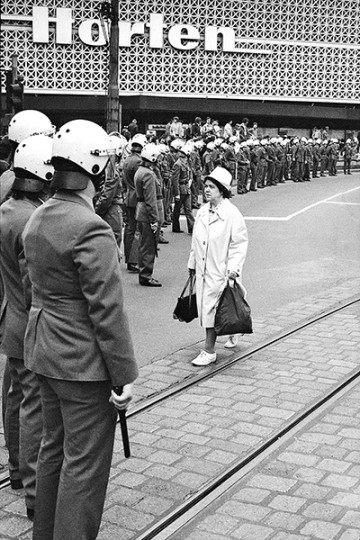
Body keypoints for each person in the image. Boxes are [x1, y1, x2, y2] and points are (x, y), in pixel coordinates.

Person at [22, 119, 138, 540]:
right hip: (82, 363)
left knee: (53, 451)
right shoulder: (91, 227)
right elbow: (107, 310)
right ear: (96, 168)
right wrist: (123, 376)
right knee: (85, 468)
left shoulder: (39, 217)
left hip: (45, 352)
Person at [0, 134, 54, 521]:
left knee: (15, 397)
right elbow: (32, 283)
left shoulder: (5, 210)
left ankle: (17, 470)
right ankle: (35, 492)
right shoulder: (32, 218)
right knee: (34, 407)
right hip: (26, 322)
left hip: (7, 318)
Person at [187, 166, 248, 366]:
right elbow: (196, 240)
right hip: (204, 269)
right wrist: (192, 262)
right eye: (205, 186)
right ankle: (235, 328)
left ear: (222, 190)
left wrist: (233, 268)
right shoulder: (203, 212)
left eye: (212, 187)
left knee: (212, 309)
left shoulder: (232, 213)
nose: (207, 190)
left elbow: (239, 242)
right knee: (214, 307)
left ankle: (209, 350)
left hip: (221, 269)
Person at [134, 143, 163, 287]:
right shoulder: (148, 174)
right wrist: (154, 220)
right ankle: (146, 274)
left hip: (142, 211)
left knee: (145, 244)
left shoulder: (141, 170)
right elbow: (151, 199)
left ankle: (144, 273)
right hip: (148, 213)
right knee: (149, 245)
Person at [94, 132, 127, 248]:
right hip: (112, 210)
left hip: (106, 209)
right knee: (114, 240)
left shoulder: (103, 168)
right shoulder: (112, 171)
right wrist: (96, 212)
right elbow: (107, 197)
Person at [122, 133, 147, 272]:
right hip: (136, 197)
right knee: (136, 230)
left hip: (128, 195)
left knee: (129, 229)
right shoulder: (138, 161)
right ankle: (133, 260)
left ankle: (129, 258)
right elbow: (140, 180)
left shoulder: (127, 159)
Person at [171, 144, 195, 234]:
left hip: (187, 187)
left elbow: (190, 173)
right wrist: (176, 193)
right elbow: (175, 180)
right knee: (177, 209)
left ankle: (192, 227)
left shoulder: (187, 162)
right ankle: (176, 227)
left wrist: (190, 182)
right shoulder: (178, 164)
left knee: (188, 209)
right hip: (181, 188)